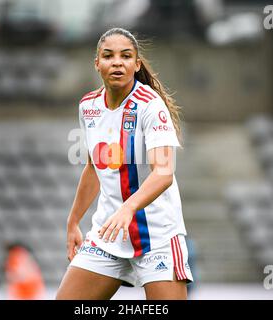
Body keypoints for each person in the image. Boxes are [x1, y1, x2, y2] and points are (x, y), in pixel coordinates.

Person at [56, 27, 193, 300]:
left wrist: (128, 208)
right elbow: (94, 167)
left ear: (136, 64)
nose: (117, 62)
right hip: (109, 234)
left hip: (157, 237)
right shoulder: (88, 107)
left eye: (126, 56)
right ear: (97, 63)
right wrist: (73, 222)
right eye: (108, 56)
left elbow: (164, 173)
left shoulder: (150, 106)